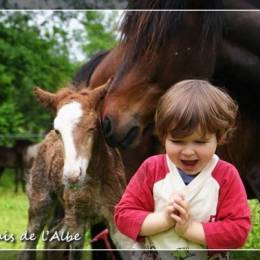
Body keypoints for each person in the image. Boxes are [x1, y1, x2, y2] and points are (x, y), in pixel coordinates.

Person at [114, 80, 251, 254]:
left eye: (200, 142)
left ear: (219, 137)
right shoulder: (152, 169)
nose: (188, 152)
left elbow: (238, 231)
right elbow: (124, 217)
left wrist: (189, 229)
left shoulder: (225, 176)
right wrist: (164, 219)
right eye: (177, 141)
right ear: (163, 137)